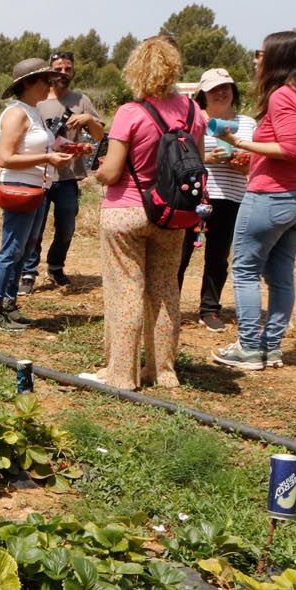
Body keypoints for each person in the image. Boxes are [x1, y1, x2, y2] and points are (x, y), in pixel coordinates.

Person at [83, 36, 203, 388]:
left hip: (127, 211)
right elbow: (198, 164)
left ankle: (121, 374)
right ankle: (164, 371)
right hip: (172, 213)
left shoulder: (130, 113)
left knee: (126, 291)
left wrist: (97, 169)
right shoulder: (196, 113)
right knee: (165, 290)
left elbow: (113, 171)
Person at [211, 32, 296, 370]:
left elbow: (288, 149)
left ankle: (248, 347)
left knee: (245, 271)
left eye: (261, 54)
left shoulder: (282, 96)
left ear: (278, 58)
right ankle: (270, 348)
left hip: (271, 197)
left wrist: (239, 144)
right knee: (281, 276)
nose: (256, 59)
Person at [0, 60, 75, 329]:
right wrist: (48, 156)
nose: (50, 84)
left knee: (22, 251)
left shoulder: (32, 112)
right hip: (21, 188)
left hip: (36, 188)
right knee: (11, 250)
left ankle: (9, 306)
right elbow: (6, 157)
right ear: (26, 84)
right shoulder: (17, 114)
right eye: (43, 80)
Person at [17, 49, 107, 294]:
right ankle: (28, 272)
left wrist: (88, 118)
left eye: (68, 69)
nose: (63, 73)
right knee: (34, 228)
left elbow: (99, 136)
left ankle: (56, 267)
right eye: (58, 69)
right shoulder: (38, 98)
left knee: (66, 227)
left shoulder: (82, 100)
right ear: (49, 70)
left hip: (68, 177)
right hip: (40, 174)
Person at [177, 68, 255, 330]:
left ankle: (210, 309)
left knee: (218, 256)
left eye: (226, 87)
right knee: (182, 250)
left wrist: (239, 162)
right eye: (214, 90)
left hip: (231, 196)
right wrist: (206, 159)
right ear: (203, 95)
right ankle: (169, 302)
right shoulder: (195, 119)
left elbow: (252, 165)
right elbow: (181, 156)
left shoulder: (247, 123)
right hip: (196, 195)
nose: (221, 93)